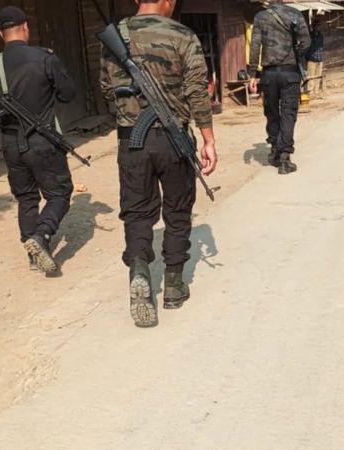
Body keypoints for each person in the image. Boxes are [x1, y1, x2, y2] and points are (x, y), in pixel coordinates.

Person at [100, 0, 218, 328]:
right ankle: (175, 286)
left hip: (131, 141)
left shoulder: (117, 35)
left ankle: (139, 270)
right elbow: (197, 92)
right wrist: (208, 139)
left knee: (137, 212)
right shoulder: (183, 35)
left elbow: (107, 90)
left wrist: (131, 105)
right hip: (173, 140)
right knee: (178, 210)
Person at [0, 6, 76, 274]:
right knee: (59, 193)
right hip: (43, 141)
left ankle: (33, 255)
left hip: (11, 143)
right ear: (25, 28)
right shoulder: (45, 58)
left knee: (26, 197)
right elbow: (68, 94)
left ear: (0, 33)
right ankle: (42, 236)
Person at [248, 0, 311, 174]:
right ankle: (284, 157)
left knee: (272, 112)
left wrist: (252, 74)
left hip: (268, 74)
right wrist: (295, 55)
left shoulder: (260, 17)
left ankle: (275, 148)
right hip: (290, 72)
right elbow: (306, 42)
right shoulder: (295, 14)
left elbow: (255, 47)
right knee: (288, 113)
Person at [306, 22, 325, 96]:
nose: (318, 27)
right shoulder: (310, 36)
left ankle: (316, 91)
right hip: (311, 59)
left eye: (319, 26)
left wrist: (321, 57)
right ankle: (311, 91)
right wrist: (308, 56)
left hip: (319, 58)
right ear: (314, 27)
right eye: (317, 26)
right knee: (311, 76)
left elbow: (321, 47)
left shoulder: (321, 36)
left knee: (318, 76)